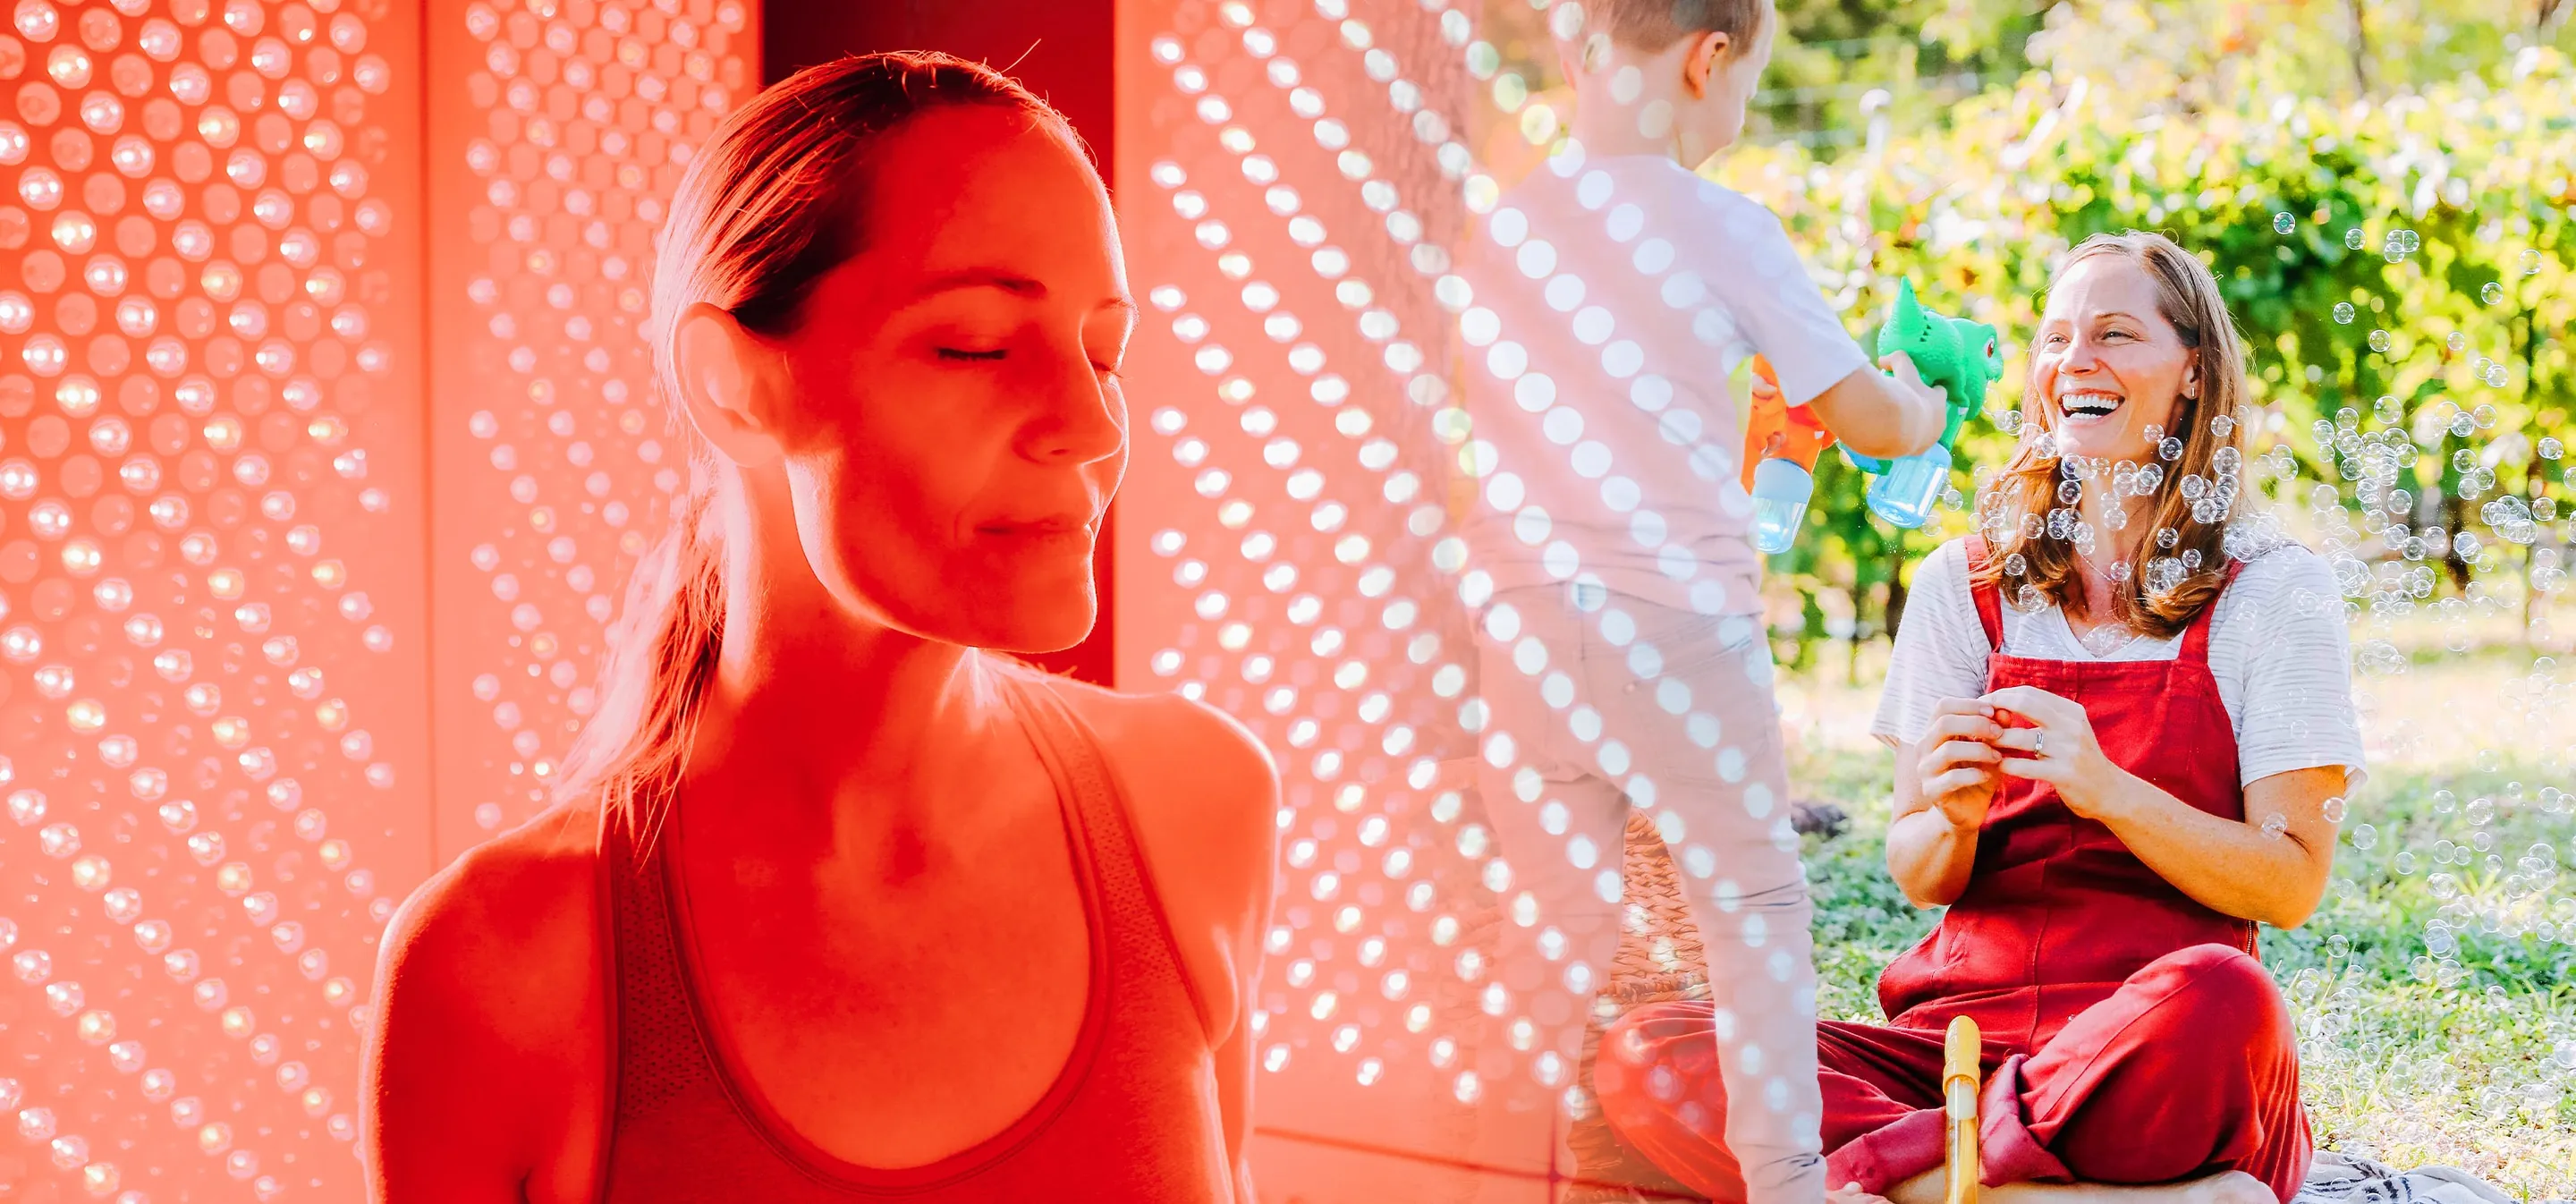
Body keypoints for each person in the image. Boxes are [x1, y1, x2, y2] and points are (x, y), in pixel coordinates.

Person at [360, 53, 1279, 1203]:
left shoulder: (1200, 807)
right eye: (977, 345)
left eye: (1106, 352)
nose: (1090, 426)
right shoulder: (501, 966)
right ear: (737, 388)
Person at [1593, 232, 2363, 1204]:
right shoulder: (1965, 582)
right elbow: (1919, 870)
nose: (2075, 360)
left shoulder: (2272, 591)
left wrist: (2105, 787)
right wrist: (1952, 819)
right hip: (1953, 1050)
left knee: (2226, 994)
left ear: (2192, 372)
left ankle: (1901, 1176)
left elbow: (2288, 882)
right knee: (1652, 1048)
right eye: (2056, 339)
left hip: (2143, 1049)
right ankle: (2047, 1196)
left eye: (2116, 334)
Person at [1456, 3, 1948, 1202]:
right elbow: (1872, 422)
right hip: (1676, 625)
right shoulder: (1725, 224)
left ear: (1579, 53)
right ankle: (1785, 1185)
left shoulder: (1503, 225)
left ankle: (1506, 1174)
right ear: (1707, 57)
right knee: (1755, 906)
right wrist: (1918, 398)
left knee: (1553, 927)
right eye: (1743, 86)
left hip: (1520, 624)